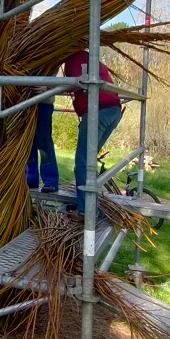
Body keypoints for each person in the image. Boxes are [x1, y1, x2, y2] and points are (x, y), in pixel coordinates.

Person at [63, 49, 123, 215]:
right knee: (89, 159)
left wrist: (47, 87)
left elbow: (76, 82)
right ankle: (88, 204)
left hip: (97, 111)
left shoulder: (74, 57)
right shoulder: (92, 60)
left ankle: (86, 210)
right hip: (113, 110)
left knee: (83, 162)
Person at [25, 93, 59, 193]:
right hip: (26, 103)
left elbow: (58, 80)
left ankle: (50, 181)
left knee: (44, 142)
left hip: (43, 102)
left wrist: (48, 88)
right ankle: (30, 179)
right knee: (28, 142)